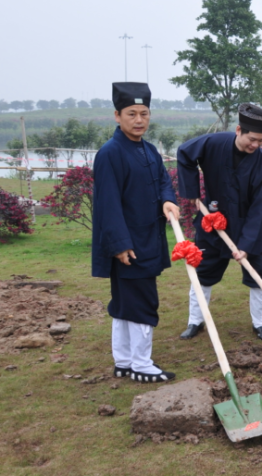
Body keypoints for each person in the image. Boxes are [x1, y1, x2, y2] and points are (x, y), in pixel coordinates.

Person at [92, 82, 180, 383]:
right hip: (129, 243)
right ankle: (141, 364)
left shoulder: (149, 149)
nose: (139, 120)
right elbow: (107, 203)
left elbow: (163, 181)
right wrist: (119, 243)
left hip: (149, 237)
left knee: (125, 302)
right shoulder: (110, 153)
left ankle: (125, 360)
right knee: (141, 300)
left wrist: (168, 199)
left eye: (144, 113)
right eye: (131, 114)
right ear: (117, 116)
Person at [175, 103, 262, 341]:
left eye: (261, 141)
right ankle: (195, 320)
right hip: (212, 221)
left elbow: (259, 209)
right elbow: (185, 153)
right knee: (202, 272)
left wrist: (246, 245)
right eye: (252, 139)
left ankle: (260, 324)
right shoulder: (214, 143)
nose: (256, 145)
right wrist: (192, 192)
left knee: (260, 274)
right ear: (239, 130)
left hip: (249, 227)